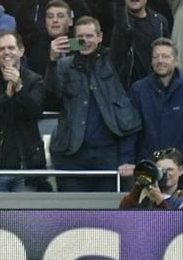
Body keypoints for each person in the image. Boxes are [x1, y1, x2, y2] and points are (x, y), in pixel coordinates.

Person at [45, 16, 142, 192]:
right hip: (72, 155)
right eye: (80, 37)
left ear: (100, 37)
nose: (85, 41)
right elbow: (51, 98)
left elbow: (123, 33)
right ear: (74, 39)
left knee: (105, 208)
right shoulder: (64, 65)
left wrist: (119, 3)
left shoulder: (111, 61)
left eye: (90, 36)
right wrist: (52, 61)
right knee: (74, 209)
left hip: (106, 154)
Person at [0, 31, 49, 192]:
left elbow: (36, 112)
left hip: (26, 168)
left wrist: (19, 87)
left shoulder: (35, 80)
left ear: (21, 51)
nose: (6, 52)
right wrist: (6, 96)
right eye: (1, 49)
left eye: (11, 47)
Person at [118, 148, 183, 210]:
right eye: (160, 170)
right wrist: (139, 186)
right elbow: (123, 213)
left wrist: (159, 199)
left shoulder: (181, 198)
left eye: (169, 169)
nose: (165, 174)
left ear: (180, 170)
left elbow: (172, 218)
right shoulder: (146, 195)